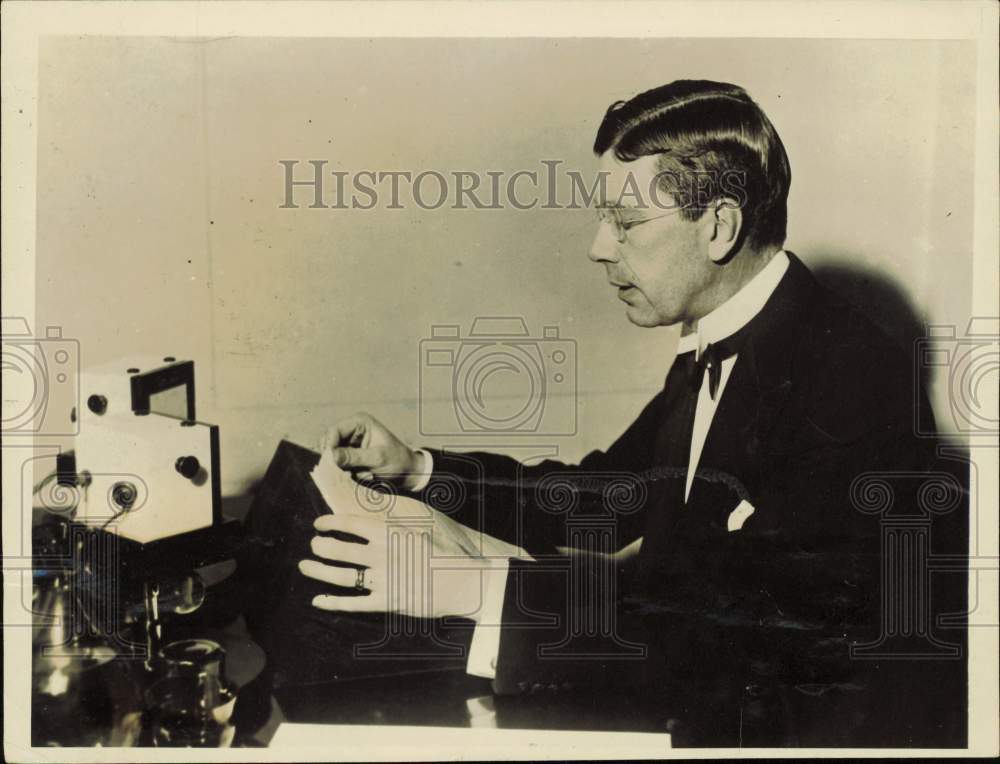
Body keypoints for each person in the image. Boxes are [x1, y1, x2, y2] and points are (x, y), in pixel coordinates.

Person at [299, 80, 966, 745]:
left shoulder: (851, 375)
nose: (598, 245)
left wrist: (469, 586)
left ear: (720, 227)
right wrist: (420, 470)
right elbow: (603, 496)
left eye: (623, 221)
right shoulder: (717, 337)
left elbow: (741, 634)